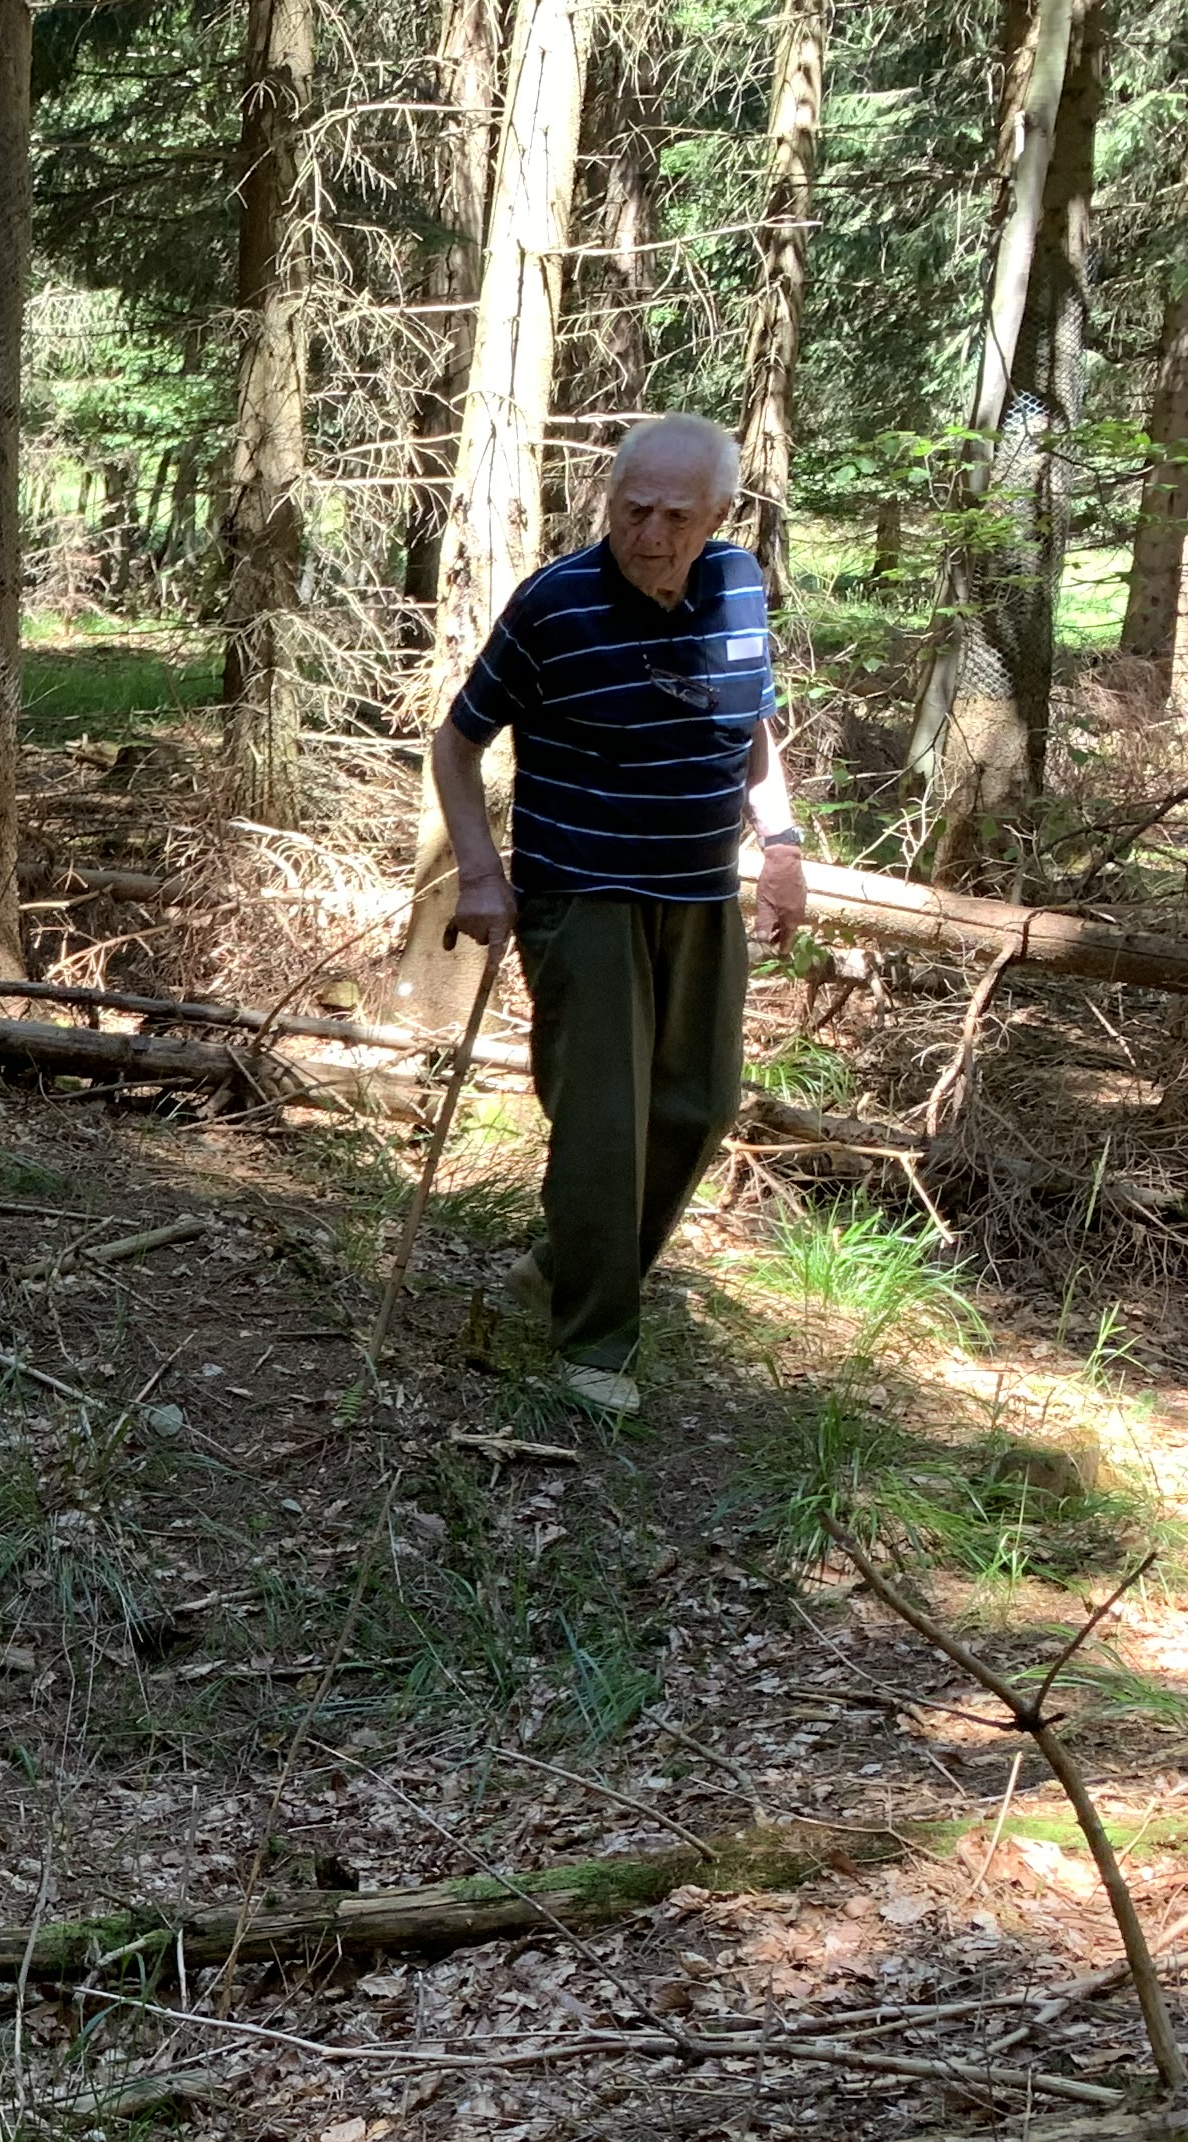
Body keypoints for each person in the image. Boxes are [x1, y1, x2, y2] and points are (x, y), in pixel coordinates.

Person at [429, 412, 806, 1417]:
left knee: (698, 1105)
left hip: (700, 893)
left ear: (718, 515)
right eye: (633, 510)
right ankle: (593, 1345)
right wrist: (480, 874)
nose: (650, 533)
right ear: (609, 504)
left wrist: (781, 846)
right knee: (603, 1121)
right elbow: (457, 744)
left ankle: (559, 1270)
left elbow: (753, 728)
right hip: (583, 894)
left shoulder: (739, 586)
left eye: (676, 516)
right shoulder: (555, 603)